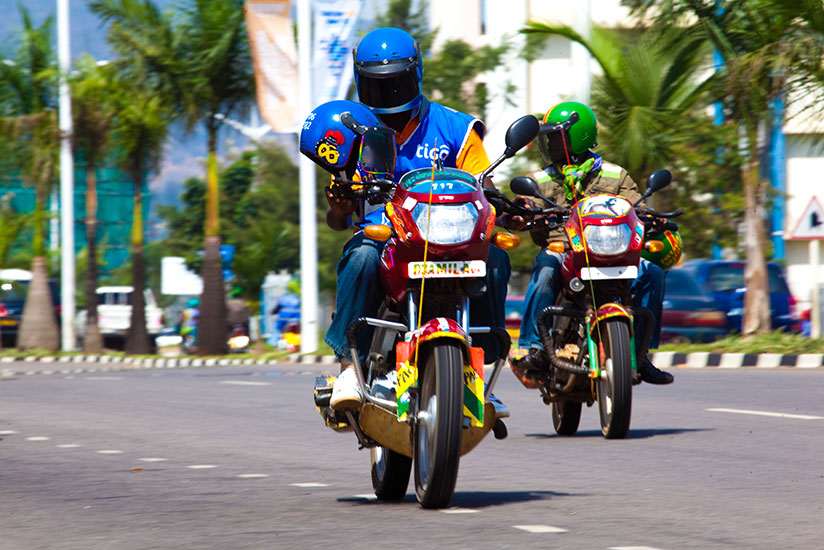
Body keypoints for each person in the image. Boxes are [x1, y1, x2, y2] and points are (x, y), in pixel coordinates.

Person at [315, 27, 514, 411]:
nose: (389, 92)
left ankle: (480, 360)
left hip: (449, 239)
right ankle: (349, 368)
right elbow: (337, 220)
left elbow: (482, 180)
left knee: (497, 259)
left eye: (397, 82)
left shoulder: (456, 127)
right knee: (361, 257)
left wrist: (497, 197)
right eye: (378, 84)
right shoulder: (354, 132)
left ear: (416, 73)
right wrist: (340, 207)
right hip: (384, 237)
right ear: (362, 82)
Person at [512, 101, 674, 385]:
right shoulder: (541, 179)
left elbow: (637, 206)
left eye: (553, 137)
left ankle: (641, 353)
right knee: (545, 270)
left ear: (576, 136)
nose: (548, 143)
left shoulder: (615, 174)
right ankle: (534, 348)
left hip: (614, 253)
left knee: (653, 273)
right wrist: (521, 212)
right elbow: (526, 205)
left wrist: (651, 218)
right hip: (562, 251)